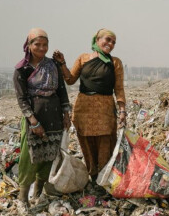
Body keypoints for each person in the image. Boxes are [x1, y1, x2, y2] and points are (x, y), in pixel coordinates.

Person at [53, 28, 126, 180]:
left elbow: (119, 88)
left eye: (113, 42)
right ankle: (93, 175)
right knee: (86, 142)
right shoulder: (83, 58)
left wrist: (122, 111)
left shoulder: (115, 63)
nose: (110, 44)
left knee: (106, 141)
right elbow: (70, 79)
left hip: (105, 108)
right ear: (97, 40)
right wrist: (62, 63)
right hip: (83, 108)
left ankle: (104, 177)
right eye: (107, 40)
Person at [14, 28, 71, 205]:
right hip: (35, 118)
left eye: (44, 44)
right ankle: (22, 199)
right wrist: (33, 121)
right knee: (28, 158)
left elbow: (62, 91)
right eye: (37, 44)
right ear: (29, 45)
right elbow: (22, 99)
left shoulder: (52, 65)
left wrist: (66, 113)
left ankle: (37, 195)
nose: (41, 47)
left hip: (54, 117)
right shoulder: (22, 69)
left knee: (49, 156)